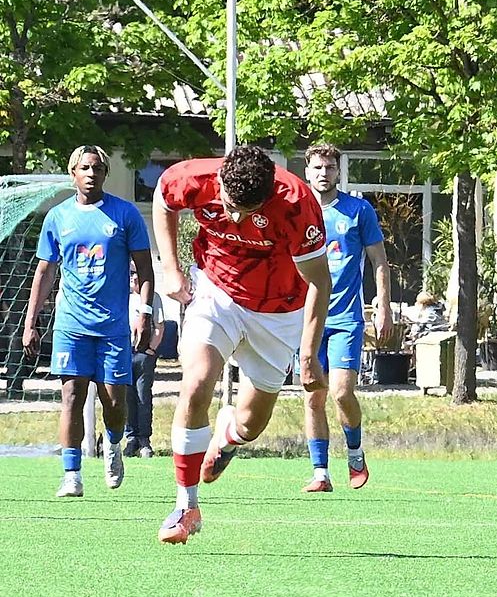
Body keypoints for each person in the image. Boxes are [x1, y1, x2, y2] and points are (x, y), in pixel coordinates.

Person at [152, 144, 331, 543]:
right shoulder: (194, 177)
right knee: (196, 383)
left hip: (280, 311)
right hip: (217, 291)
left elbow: (320, 280)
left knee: (251, 425)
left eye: (249, 211)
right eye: (231, 206)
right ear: (220, 182)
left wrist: (308, 353)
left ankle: (229, 435)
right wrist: (171, 268)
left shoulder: (297, 203)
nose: (236, 218)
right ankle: (186, 507)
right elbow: (163, 198)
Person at [22, 145, 155, 497]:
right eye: (84, 168)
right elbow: (45, 271)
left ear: (105, 173)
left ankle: (113, 445)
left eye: (97, 168)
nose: (91, 174)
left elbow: (145, 269)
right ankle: (72, 474)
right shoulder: (58, 217)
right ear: (73, 173)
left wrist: (144, 313)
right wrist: (30, 321)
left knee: (115, 403)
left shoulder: (125, 214)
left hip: (113, 327)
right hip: (71, 325)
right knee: (71, 396)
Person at [299, 143, 392, 493]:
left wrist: (383, 307)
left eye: (330, 168)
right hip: (307, 321)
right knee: (313, 395)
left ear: (339, 172)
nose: (324, 173)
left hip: (346, 318)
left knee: (341, 392)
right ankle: (320, 473)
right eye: (318, 167)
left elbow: (379, 262)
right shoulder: (296, 212)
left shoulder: (358, 210)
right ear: (307, 171)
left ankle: (354, 452)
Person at [124, 262, 165, 458]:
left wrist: (150, 349)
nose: (134, 277)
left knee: (142, 396)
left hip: (143, 355)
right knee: (126, 396)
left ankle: (144, 440)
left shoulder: (153, 298)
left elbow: (159, 326)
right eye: (131, 273)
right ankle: (130, 438)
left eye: (137, 273)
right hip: (124, 354)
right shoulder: (123, 297)